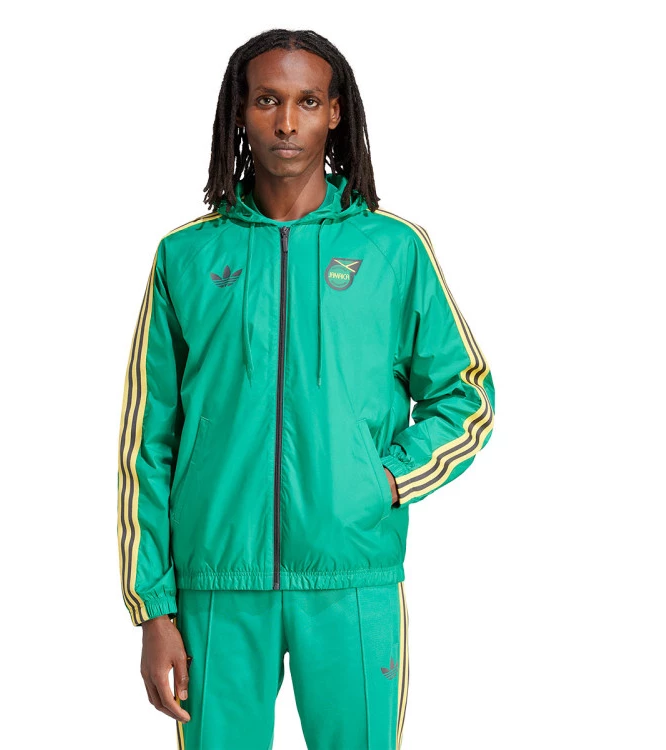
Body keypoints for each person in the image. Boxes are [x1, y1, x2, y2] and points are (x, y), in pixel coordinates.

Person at [117, 28, 495, 749]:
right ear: (240, 111)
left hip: (353, 577)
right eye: (267, 100)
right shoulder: (185, 256)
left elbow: (466, 396)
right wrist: (153, 608)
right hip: (216, 585)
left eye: (307, 101)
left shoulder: (393, 249)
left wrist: (385, 480)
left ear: (335, 112)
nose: (287, 122)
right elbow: (147, 441)